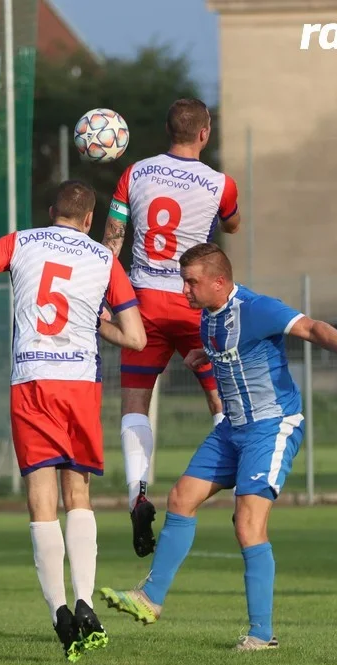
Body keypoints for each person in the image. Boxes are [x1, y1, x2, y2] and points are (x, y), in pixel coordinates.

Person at [0, 180, 146, 662]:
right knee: (77, 495)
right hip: (79, 384)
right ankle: (84, 599)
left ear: (50, 212)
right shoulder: (104, 260)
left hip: (32, 383)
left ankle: (58, 610)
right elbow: (137, 338)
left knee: (41, 498)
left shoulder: (20, 241)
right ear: (88, 220)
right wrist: (96, 323)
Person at [99, 243, 337, 651]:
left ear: (219, 281)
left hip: (271, 425)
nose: (185, 289)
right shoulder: (207, 318)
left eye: (192, 282)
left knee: (247, 524)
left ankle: (262, 634)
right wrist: (199, 356)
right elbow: (226, 349)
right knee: (180, 497)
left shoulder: (257, 307)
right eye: (183, 281)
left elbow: (311, 327)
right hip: (233, 429)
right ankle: (150, 599)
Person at [100, 98, 241, 558]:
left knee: (136, 402)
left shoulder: (134, 173)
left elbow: (112, 242)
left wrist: (110, 300)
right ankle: (238, 486)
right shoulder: (220, 183)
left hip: (141, 301)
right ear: (205, 133)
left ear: (166, 130)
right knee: (220, 395)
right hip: (194, 300)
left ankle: (136, 493)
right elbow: (234, 226)